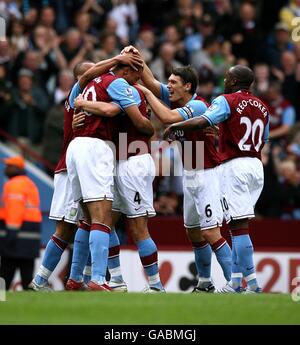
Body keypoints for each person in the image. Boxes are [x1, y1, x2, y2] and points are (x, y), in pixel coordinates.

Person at [29, 54, 143, 291]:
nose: (97, 74)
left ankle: (64, 278)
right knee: (100, 218)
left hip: (70, 160)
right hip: (90, 152)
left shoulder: (79, 95)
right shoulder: (92, 88)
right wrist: (119, 58)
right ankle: (100, 279)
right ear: (83, 76)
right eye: (93, 72)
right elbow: (113, 111)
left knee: (81, 223)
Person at [164, 65, 270, 293]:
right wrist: (224, 133)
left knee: (238, 227)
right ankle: (250, 283)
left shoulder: (225, 100)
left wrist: (176, 125)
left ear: (233, 80)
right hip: (256, 165)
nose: (224, 79)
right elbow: (264, 138)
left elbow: (203, 121)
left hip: (234, 167)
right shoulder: (262, 106)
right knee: (239, 225)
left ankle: (236, 284)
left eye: (227, 76)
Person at [69, 60, 165, 293]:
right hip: (115, 162)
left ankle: (155, 285)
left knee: (136, 226)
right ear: (124, 70)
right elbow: (138, 123)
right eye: (136, 71)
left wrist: (83, 105)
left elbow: (143, 126)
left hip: (133, 161)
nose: (139, 77)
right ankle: (116, 280)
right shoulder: (118, 86)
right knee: (104, 221)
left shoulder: (102, 86)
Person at [136, 63, 232, 292]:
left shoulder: (197, 105)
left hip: (207, 174)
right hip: (191, 175)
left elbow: (167, 117)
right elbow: (150, 81)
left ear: (187, 86)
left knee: (210, 231)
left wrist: (147, 94)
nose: (167, 86)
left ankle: (237, 283)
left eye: (173, 83)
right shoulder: (178, 100)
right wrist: (138, 59)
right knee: (194, 232)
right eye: (167, 82)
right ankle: (205, 283)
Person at [0, 156, 42, 290]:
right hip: (30, 235)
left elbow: (15, 210)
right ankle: (31, 304)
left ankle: (1, 299)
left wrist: (10, 234)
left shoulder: (14, 185)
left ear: (17, 168)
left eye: (9, 166)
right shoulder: (29, 183)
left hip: (17, 234)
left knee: (5, 273)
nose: (6, 168)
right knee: (27, 275)